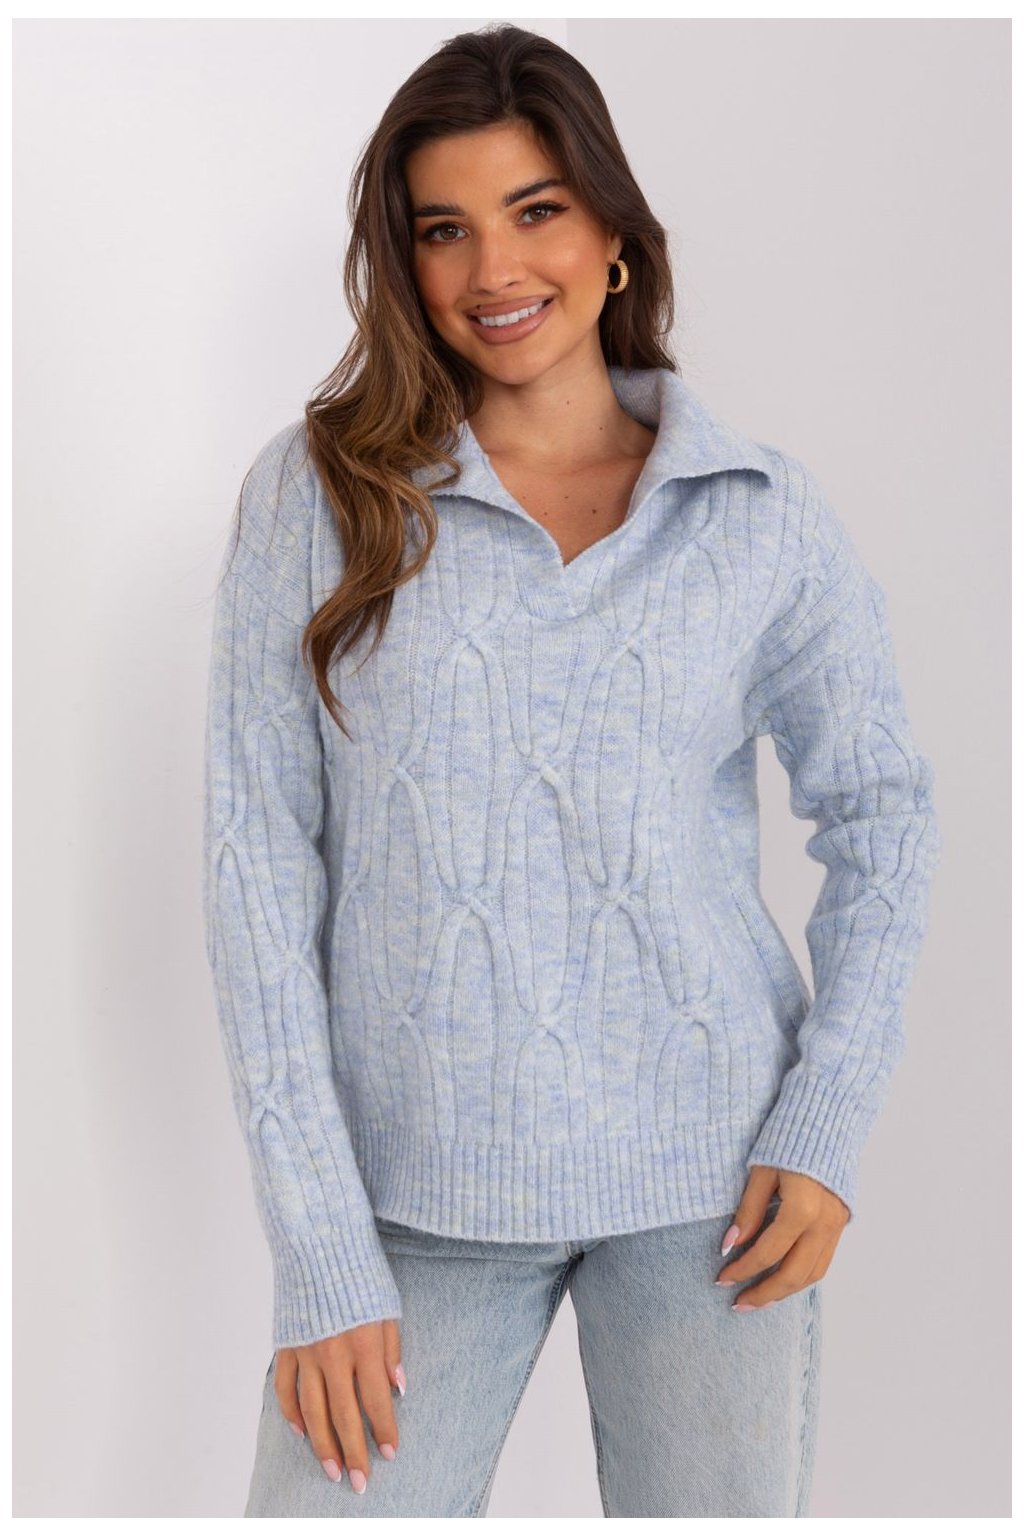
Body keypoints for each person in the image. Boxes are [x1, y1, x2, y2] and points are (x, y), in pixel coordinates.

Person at [201, 24, 941, 1519]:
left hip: (715, 1195)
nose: (494, 268)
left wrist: (826, 1125)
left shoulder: (756, 511)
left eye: (535, 209)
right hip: (409, 1202)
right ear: (403, 262)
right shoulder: (321, 496)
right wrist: (320, 1247)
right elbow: (257, 870)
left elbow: (885, 812)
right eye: (443, 229)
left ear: (612, 233)